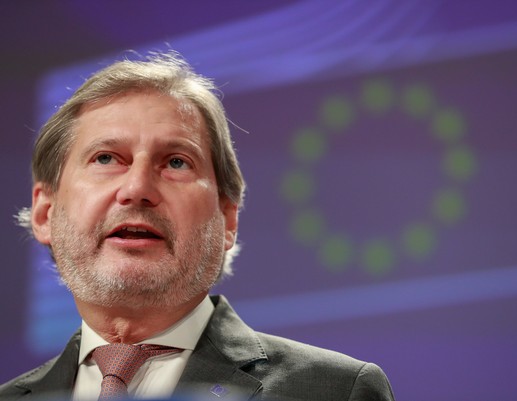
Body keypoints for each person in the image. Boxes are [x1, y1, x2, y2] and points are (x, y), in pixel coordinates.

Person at [0, 51, 395, 401]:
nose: (137, 189)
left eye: (176, 162)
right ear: (44, 213)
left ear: (228, 219)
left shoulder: (336, 392)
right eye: (106, 158)